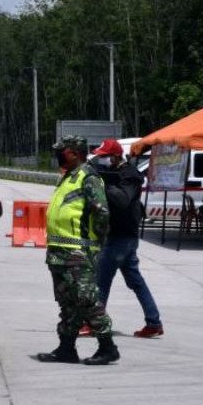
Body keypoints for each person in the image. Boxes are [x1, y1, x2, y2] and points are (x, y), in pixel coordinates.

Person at [37, 135, 120, 366]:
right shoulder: (67, 177)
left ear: (75, 152)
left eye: (61, 151)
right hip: (60, 252)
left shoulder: (88, 177)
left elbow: (101, 212)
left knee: (87, 300)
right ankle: (66, 348)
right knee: (68, 303)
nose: (58, 155)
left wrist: (98, 243)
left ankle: (107, 347)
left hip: (79, 252)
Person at [91, 138, 163, 338]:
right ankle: (153, 321)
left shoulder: (130, 175)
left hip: (120, 237)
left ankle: (94, 322)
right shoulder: (119, 173)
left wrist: (103, 185)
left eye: (104, 157)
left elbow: (122, 200)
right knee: (136, 282)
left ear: (115, 157)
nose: (101, 160)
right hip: (122, 236)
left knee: (101, 281)